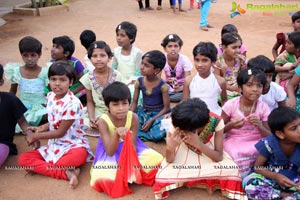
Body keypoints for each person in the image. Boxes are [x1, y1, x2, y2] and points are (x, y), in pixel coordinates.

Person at [18, 61, 94, 189]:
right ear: (49, 81)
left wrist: (36, 137)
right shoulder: (51, 96)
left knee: (75, 157)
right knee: (23, 160)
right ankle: (67, 173)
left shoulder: (72, 104)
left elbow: (60, 132)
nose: (57, 83)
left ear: (70, 82)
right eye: (53, 79)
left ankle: (55, 169)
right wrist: (41, 128)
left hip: (73, 146)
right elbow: (54, 121)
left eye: (62, 80)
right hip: (54, 146)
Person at [153, 98, 247, 200]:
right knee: (162, 175)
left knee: (232, 170)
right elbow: (169, 160)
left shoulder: (217, 121)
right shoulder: (176, 123)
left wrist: (198, 144)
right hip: (182, 146)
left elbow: (219, 157)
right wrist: (171, 147)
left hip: (207, 147)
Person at [90, 82, 163, 198]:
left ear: (129, 103)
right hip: (110, 150)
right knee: (103, 176)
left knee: (156, 159)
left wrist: (128, 165)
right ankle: (126, 175)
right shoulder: (103, 121)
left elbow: (133, 145)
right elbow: (109, 151)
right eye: (115, 104)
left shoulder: (133, 117)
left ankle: (129, 174)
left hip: (130, 148)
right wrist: (117, 135)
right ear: (107, 106)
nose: (121, 108)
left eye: (125, 103)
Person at [222, 68, 271, 178]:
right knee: (234, 152)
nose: (255, 89)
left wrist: (259, 126)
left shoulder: (263, 107)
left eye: (259, 86)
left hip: (256, 139)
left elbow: (269, 135)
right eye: (249, 85)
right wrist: (231, 125)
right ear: (240, 88)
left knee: (265, 150)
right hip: (234, 139)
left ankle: (256, 177)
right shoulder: (231, 105)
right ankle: (239, 179)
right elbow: (218, 129)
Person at [243, 106, 300, 199]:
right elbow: (257, 167)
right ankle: (284, 196)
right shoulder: (269, 144)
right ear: (280, 134)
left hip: (293, 181)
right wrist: (277, 176)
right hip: (271, 179)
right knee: (249, 183)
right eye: (294, 128)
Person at [4, 36, 48, 133]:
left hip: (40, 106)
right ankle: (35, 123)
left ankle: (35, 122)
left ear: (39, 54)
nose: (29, 59)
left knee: (50, 114)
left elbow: (51, 91)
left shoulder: (45, 72)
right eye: (25, 55)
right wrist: (9, 106)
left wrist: (48, 103)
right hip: (22, 107)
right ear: (21, 55)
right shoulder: (15, 71)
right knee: (12, 117)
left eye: (33, 55)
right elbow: (12, 91)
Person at [80, 41, 123, 137]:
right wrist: (91, 118)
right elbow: (90, 101)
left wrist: (108, 115)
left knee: (120, 119)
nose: (98, 59)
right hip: (97, 110)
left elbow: (120, 100)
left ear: (109, 58)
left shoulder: (117, 76)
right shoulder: (88, 78)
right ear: (90, 59)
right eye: (94, 56)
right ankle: (98, 127)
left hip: (114, 110)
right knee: (78, 119)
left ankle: (104, 126)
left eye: (102, 55)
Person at [0, 64, 36, 167]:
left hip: (3, 142)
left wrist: (30, 135)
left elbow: (23, 122)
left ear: (1, 82)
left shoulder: (10, 100)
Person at [131, 50, 170, 142]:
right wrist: (129, 116)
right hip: (143, 112)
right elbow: (134, 102)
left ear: (156, 70)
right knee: (132, 123)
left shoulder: (163, 86)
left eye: (146, 65)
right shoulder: (139, 82)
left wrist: (152, 120)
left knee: (163, 127)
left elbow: (166, 108)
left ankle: (147, 133)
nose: (141, 67)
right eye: (142, 63)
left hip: (158, 114)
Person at [182, 42, 227, 115]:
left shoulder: (220, 81)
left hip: (214, 115)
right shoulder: (189, 80)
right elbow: (184, 101)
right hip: (193, 117)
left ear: (213, 62)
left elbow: (224, 101)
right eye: (197, 60)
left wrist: (224, 117)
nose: (199, 64)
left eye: (204, 60)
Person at [48, 35, 86, 104]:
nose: (52, 49)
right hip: (58, 89)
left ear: (66, 53)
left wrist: (71, 93)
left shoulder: (75, 63)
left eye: (57, 47)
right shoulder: (51, 63)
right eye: (53, 46)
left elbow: (84, 82)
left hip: (74, 89)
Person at [111, 21, 143, 104]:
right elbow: (112, 69)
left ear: (131, 38)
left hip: (133, 82)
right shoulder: (116, 51)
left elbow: (138, 74)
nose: (118, 38)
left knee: (131, 93)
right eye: (117, 35)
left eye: (122, 35)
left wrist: (128, 84)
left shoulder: (137, 53)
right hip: (120, 81)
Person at [161, 34, 192, 102]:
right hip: (167, 88)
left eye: (176, 46)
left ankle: (166, 98)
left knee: (190, 93)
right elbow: (157, 79)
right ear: (164, 48)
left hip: (182, 88)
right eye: (169, 46)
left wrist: (180, 88)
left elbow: (189, 80)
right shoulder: (161, 58)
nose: (173, 49)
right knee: (157, 91)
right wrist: (166, 81)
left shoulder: (184, 60)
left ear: (180, 48)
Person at [215, 32, 247, 99]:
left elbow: (245, 76)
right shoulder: (218, 62)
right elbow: (217, 83)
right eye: (234, 47)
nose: (238, 50)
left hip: (238, 89)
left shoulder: (240, 59)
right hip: (223, 90)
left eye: (239, 47)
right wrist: (233, 88)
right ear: (224, 47)